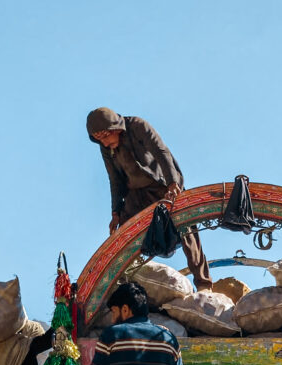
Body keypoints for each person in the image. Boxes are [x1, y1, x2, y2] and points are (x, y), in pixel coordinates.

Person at [86, 107, 213, 291]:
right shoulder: (106, 148)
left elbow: (161, 152)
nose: (105, 144)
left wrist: (172, 184)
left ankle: (203, 284)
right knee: (124, 237)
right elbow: (114, 179)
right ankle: (125, 288)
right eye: (100, 140)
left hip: (162, 188)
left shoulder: (138, 126)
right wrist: (115, 212)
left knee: (186, 226)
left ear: (115, 129)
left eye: (105, 137)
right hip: (135, 196)